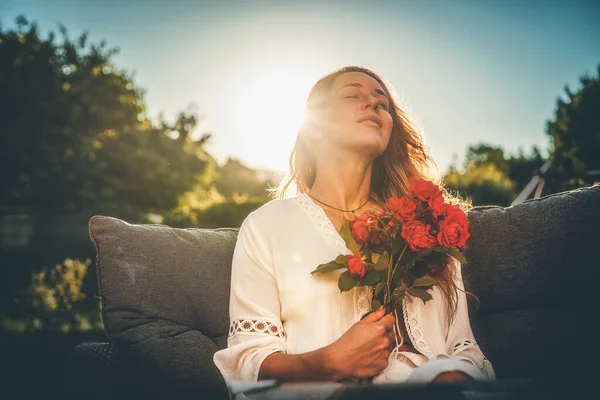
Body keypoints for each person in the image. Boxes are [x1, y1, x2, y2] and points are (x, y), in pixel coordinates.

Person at [213, 66, 496, 391]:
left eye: (383, 103)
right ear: (314, 126)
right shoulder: (267, 226)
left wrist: (453, 376)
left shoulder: (429, 225)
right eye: (352, 95)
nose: (373, 104)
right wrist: (329, 361)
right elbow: (248, 362)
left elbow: (464, 347)